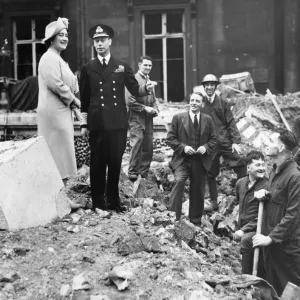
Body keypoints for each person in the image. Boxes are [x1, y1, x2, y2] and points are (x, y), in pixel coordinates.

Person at [79, 24, 155, 213]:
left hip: (118, 123)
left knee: (114, 163)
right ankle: (98, 203)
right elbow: (84, 99)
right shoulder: (88, 68)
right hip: (97, 124)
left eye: (102, 40)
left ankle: (113, 201)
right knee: (97, 164)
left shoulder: (121, 66)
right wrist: (83, 123)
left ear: (110, 42)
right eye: (96, 41)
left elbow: (134, 89)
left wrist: (146, 89)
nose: (99, 44)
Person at [37, 17, 82, 209]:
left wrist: (76, 107)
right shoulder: (48, 58)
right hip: (52, 114)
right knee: (56, 153)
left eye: (66, 35)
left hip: (62, 112)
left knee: (63, 153)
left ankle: (61, 199)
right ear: (52, 39)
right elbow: (56, 84)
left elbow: (71, 83)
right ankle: (56, 201)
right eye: (61, 35)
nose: (65, 38)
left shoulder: (60, 59)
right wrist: (75, 101)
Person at [252, 130, 300, 296]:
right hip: (270, 245)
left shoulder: (295, 177)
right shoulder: (274, 170)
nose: (266, 143)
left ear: (280, 147)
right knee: (273, 288)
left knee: (291, 290)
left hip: (286, 247)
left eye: (270, 141)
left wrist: (270, 238)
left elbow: (294, 215)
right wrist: (264, 193)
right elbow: (276, 195)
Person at [166, 93, 217, 224]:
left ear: (202, 104)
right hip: (182, 160)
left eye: (197, 101)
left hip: (200, 161)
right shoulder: (178, 118)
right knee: (179, 181)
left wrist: (206, 147)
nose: (194, 103)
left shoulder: (208, 119)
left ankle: (195, 221)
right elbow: (170, 139)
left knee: (198, 189)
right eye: (192, 100)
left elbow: (214, 139)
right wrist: (183, 147)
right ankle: (173, 217)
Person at [198, 74, 246, 212]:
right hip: (210, 145)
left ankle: (241, 198)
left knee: (241, 164)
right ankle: (213, 202)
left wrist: (235, 141)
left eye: (211, 85)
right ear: (204, 87)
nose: (209, 87)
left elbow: (230, 122)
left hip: (225, 142)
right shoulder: (201, 104)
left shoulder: (223, 103)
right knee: (209, 172)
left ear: (215, 86)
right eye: (206, 85)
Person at [233, 150, 267, 277]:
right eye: (258, 165)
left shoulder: (267, 186)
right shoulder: (240, 183)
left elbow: (264, 215)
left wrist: (244, 230)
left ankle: (246, 278)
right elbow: (240, 206)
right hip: (243, 227)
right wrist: (239, 227)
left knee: (248, 240)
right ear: (248, 167)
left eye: (263, 165)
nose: (262, 168)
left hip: (261, 229)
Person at [126, 55, 159, 181]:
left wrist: (156, 108)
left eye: (150, 65)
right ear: (139, 65)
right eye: (145, 65)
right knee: (137, 142)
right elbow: (129, 100)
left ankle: (144, 174)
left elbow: (153, 99)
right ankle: (133, 172)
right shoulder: (133, 79)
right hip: (136, 116)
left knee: (148, 145)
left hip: (148, 118)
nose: (147, 67)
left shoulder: (149, 80)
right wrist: (145, 108)